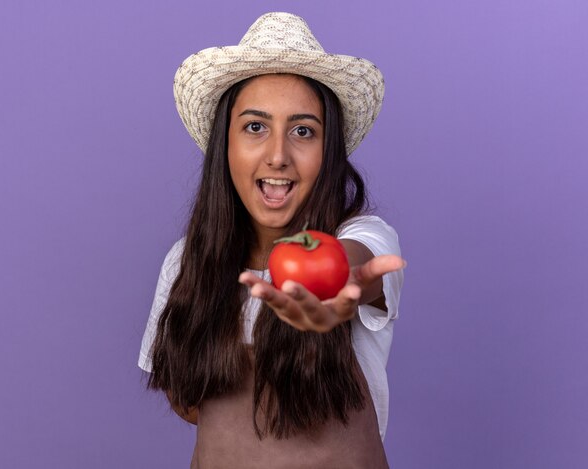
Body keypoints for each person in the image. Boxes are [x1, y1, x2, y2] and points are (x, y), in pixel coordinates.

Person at [138, 12, 405, 468]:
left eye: (303, 131)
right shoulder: (186, 263)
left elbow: (355, 266)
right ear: (227, 145)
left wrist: (340, 282)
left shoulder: (364, 236)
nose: (278, 155)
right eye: (255, 127)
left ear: (329, 151)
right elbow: (185, 397)